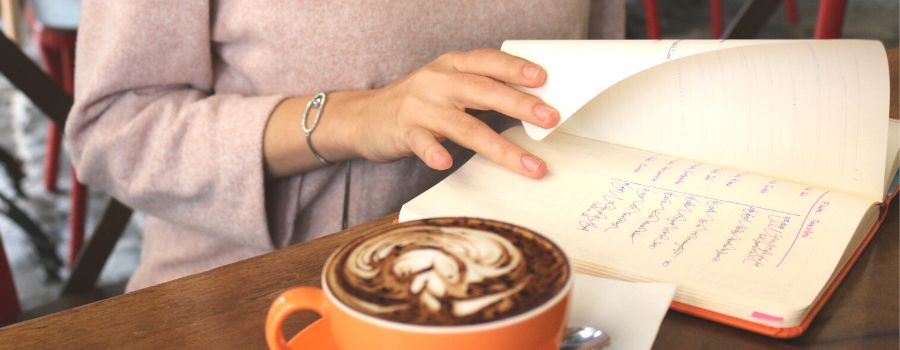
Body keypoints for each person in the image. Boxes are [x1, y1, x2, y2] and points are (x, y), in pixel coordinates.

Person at [65, 1, 625, 291]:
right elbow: (115, 131)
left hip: (535, 282)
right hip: (264, 292)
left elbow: (595, 85)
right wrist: (355, 118)